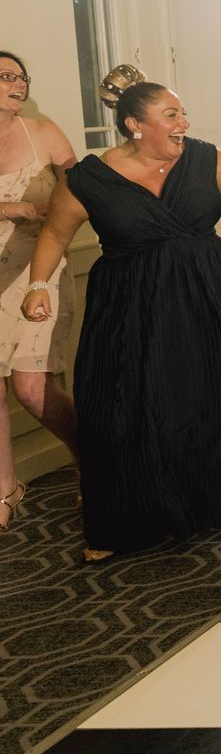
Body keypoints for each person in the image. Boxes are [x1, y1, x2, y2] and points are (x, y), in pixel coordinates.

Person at [22, 75, 221, 561]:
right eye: (171, 115)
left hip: (209, 291)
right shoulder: (88, 178)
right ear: (135, 124)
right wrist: (37, 285)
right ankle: (124, 519)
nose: (183, 123)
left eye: (182, 114)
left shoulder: (203, 157)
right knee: (128, 403)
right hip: (130, 304)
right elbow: (54, 235)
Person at [0, 50, 81, 528]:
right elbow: (24, 208)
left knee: (31, 387)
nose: (18, 83)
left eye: (21, 76)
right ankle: (5, 490)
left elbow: (80, 189)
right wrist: (16, 209)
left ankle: (92, 459)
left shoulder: (44, 131)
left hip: (37, 271)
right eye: (6, 76)